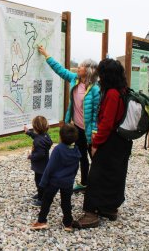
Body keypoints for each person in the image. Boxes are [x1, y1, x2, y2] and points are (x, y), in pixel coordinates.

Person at [73, 59, 133, 229]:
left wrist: (95, 144)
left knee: (96, 177)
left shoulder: (112, 94)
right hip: (122, 142)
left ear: (106, 74)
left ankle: (91, 214)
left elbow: (106, 123)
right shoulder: (122, 89)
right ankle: (109, 208)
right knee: (115, 175)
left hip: (110, 141)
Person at [38, 45, 100, 192]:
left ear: (89, 70)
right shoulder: (74, 80)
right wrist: (46, 54)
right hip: (77, 128)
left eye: (82, 66)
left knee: (95, 159)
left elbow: (97, 114)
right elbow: (59, 70)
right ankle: (84, 183)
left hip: (89, 131)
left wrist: (95, 131)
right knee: (81, 157)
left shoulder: (96, 89)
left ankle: (98, 185)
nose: (79, 67)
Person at [30, 124, 81, 231]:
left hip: (54, 181)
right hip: (68, 182)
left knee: (46, 201)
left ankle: (41, 221)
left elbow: (50, 167)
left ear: (61, 137)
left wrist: (43, 183)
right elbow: (76, 167)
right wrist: (71, 179)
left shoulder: (58, 149)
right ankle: (68, 223)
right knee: (66, 203)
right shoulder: (76, 150)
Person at [24, 115, 53, 206]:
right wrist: (29, 133)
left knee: (39, 182)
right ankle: (41, 194)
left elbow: (40, 154)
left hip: (40, 166)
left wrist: (31, 156)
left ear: (35, 128)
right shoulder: (45, 136)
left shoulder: (38, 141)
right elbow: (37, 137)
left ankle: (42, 199)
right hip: (45, 165)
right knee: (42, 181)